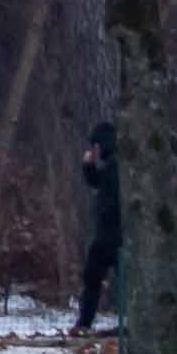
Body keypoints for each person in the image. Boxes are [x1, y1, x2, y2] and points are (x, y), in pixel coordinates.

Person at [73, 121, 119, 336]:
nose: (93, 150)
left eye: (95, 145)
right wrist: (88, 167)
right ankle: (84, 323)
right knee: (94, 277)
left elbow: (106, 191)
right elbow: (97, 182)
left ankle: (84, 323)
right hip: (109, 233)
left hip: (112, 234)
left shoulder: (115, 165)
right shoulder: (113, 163)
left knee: (93, 278)